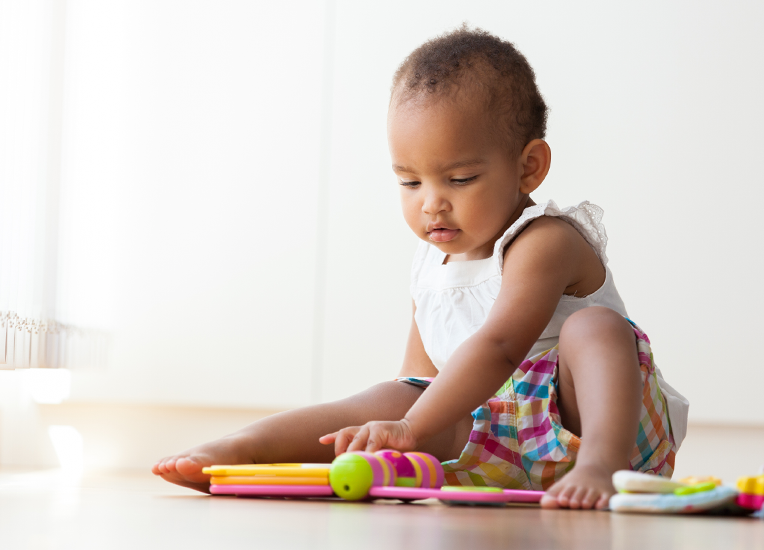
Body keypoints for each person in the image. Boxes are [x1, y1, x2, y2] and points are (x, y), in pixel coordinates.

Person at [152, 25, 688, 510]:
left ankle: (600, 464)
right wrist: (399, 428)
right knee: (394, 393)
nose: (431, 203)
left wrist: (411, 426)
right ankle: (250, 448)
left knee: (593, 329)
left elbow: (499, 346)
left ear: (528, 167)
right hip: (497, 447)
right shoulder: (433, 262)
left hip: (592, 430)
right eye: (410, 182)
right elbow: (420, 381)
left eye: (458, 180)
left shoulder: (544, 240)